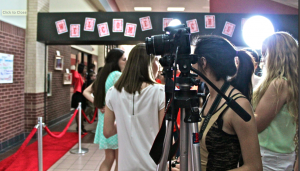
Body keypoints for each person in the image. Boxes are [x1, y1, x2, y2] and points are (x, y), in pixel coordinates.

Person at [172, 35, 262, 171]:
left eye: (194, 59)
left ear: (203, 62)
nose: (191, 64)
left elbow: (254, 167)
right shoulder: (211, 96)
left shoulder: (237, 104)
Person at [103, 43, 165, 171]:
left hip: (125, 166)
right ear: (150, 63)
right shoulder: (160, 92)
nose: (158, 66)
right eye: (156, 61)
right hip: (153, 165)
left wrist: (124, 121)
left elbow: (107, 132)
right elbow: (164, 135)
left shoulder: (112, 92)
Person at [252, 32, 298, 171]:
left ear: (276, 55)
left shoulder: (279, 84)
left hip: (270, 156)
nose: (263, 60)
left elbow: (258, 124)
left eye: (265, 54)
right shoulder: (290, 84)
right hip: (282, 154)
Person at [83, 48, 127, 171]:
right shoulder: (117, 75)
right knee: (120, 161)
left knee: (109, 158)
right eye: (124, 59)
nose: (126, 62)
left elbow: (86, 91)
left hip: (104, 121)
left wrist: (98, 104)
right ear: (116, 60)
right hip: (115, 121)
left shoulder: (103, 75)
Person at [71, 63, 87, 133]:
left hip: (82, 96)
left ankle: (82, 126)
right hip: (77, 95)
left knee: (83, 112)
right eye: (84, 68)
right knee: (78, 112)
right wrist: (76, 66)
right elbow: (75, 74)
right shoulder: (78, 75)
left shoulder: (83, 77)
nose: (85, 70)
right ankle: (79, 127)